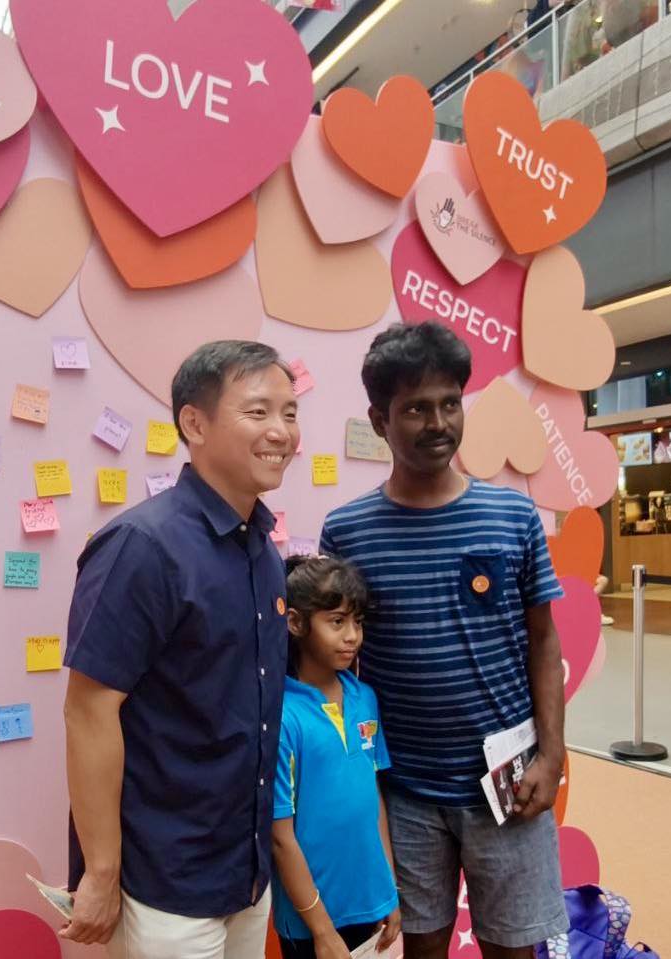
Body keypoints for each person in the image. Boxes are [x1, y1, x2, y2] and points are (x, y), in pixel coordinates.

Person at [320, 322, 568, 959]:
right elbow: (335, 658)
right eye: (415, 409)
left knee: (513, 949)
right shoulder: (346, 531)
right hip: (401, 788)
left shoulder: (512, 515)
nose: (438, 423)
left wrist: (552, 756)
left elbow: (544, 641)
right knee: (418, 947)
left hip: (507, 782)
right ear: (380, 421)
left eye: (449, 404)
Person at [62, 340, 300, 958]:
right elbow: (89, 712)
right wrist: (101, 872)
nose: (280, 432)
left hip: (244, 872)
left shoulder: (265, 549)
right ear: (194, 423)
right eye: (258, 412)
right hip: (162, 880)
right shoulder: (142, 547)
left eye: (291, 413)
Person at [271, 554, 401, 959]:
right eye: (337, 621)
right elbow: (280, 837)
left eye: (357, 622)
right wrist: (322, 931)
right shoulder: (281, 716)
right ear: (296, 623)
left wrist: (389, 891)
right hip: (311, 922)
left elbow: (373, 799)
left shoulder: (365, 697)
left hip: (369, 905)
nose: (352, 636)